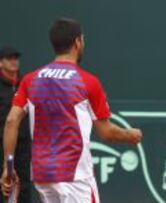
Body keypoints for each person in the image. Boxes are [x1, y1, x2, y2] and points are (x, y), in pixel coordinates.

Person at [0, 18, 142, 203]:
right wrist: (130, 135)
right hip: (75, 177)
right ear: (77, 42)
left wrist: (7, 167)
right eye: (83, 38)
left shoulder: (30, 79)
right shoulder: (87, 82)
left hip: (43, 176)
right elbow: (106, 133)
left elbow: (11, 121)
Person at [0, 46, 32, 203]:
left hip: (25, 145)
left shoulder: (25, 83)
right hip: (3, 145)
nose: (14, 62)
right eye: (9, 58)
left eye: (16, 58)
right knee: (4, 185)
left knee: (25, 185)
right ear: (1, 63)